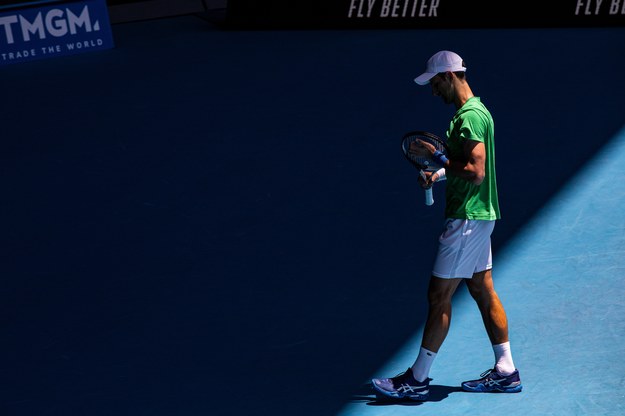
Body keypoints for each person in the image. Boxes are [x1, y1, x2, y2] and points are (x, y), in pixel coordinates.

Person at [371, 50, 522, 401]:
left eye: (436, 82)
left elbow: (475, 171)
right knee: (483, 291)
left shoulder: (468, 118)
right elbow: (463, 165)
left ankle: (417, 379)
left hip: (466, 218)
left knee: (438, 296)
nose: (433, 90)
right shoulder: (475, 112)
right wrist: (438, 173)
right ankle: (506, 370)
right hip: (480, 215)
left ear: (450, 76)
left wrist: (437, 157)